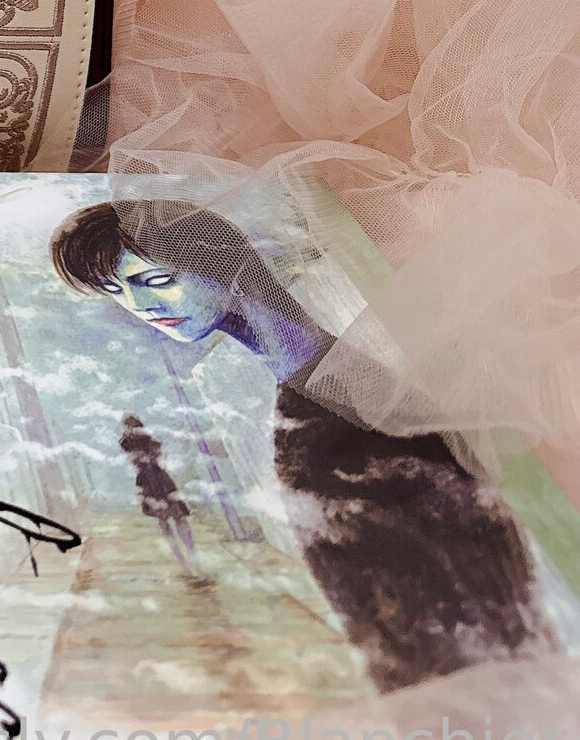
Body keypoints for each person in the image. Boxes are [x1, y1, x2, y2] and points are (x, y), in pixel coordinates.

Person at [51, 199, 561, 691]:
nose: (140, 306)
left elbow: (464, 569)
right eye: (118, 292)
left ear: (222, 264)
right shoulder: (320, 389)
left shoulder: (344, 400)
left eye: (158, 280)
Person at [119, 414, 204, 582]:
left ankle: (191, 564)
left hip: (157, 481)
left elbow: (151, 455)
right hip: (151, 481)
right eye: (129, 427)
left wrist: (147, 456)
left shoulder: (143, 441)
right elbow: (145, 456)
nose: (130, 429)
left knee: (174, 520)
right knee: (169, 521)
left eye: (131, 426)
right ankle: (188, 565)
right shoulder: (130, 442)